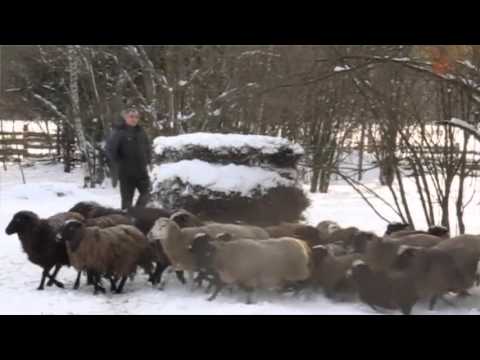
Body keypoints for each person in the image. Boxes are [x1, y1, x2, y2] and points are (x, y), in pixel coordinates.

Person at [105, 108, 152, 209]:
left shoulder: (141, 132)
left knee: (148, 193)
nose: (134, 119)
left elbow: (147, 147)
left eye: (136, 117)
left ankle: (137, 213)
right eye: (131, 116)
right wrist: (120, 162)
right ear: (125, 117)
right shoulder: (119, 132)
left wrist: (148, 160)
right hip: (126, 173)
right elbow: (110, 149)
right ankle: (127, 220)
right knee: (127, 202)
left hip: (141, 172)